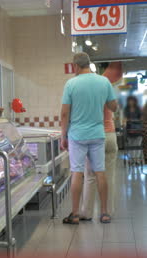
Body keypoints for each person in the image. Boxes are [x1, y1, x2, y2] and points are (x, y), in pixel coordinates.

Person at [60, 52, 118, 224]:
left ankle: (76, 214)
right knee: (100, 172)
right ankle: (105, 212)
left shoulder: (71, 84)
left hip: (77, 136)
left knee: (77, 173)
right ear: (89, 64)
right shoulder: (104, 81)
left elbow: (64, 113)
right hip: (97, 134)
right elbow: (113, 107)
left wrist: (64, 136)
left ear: (76, 66)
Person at [80, 105, 118, 220]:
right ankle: (108, 212)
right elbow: (115, 107)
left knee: (90, 176)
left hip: (95, 135)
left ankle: (87, 212)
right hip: (110, 135)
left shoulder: (88, 91)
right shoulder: (107, 88)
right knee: (109, 176)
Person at [124, 96, 143, 163]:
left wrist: (134, 121)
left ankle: (137, 159)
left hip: (138, 129)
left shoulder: (138, 108)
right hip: (129, 129)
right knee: (131, 145)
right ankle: (131, 159)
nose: (131, 102)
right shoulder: (126, 109)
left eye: (132, 101)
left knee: (138, 144)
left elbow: (141, 118)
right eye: (130, 101)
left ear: (135, 101)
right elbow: (125, 118)